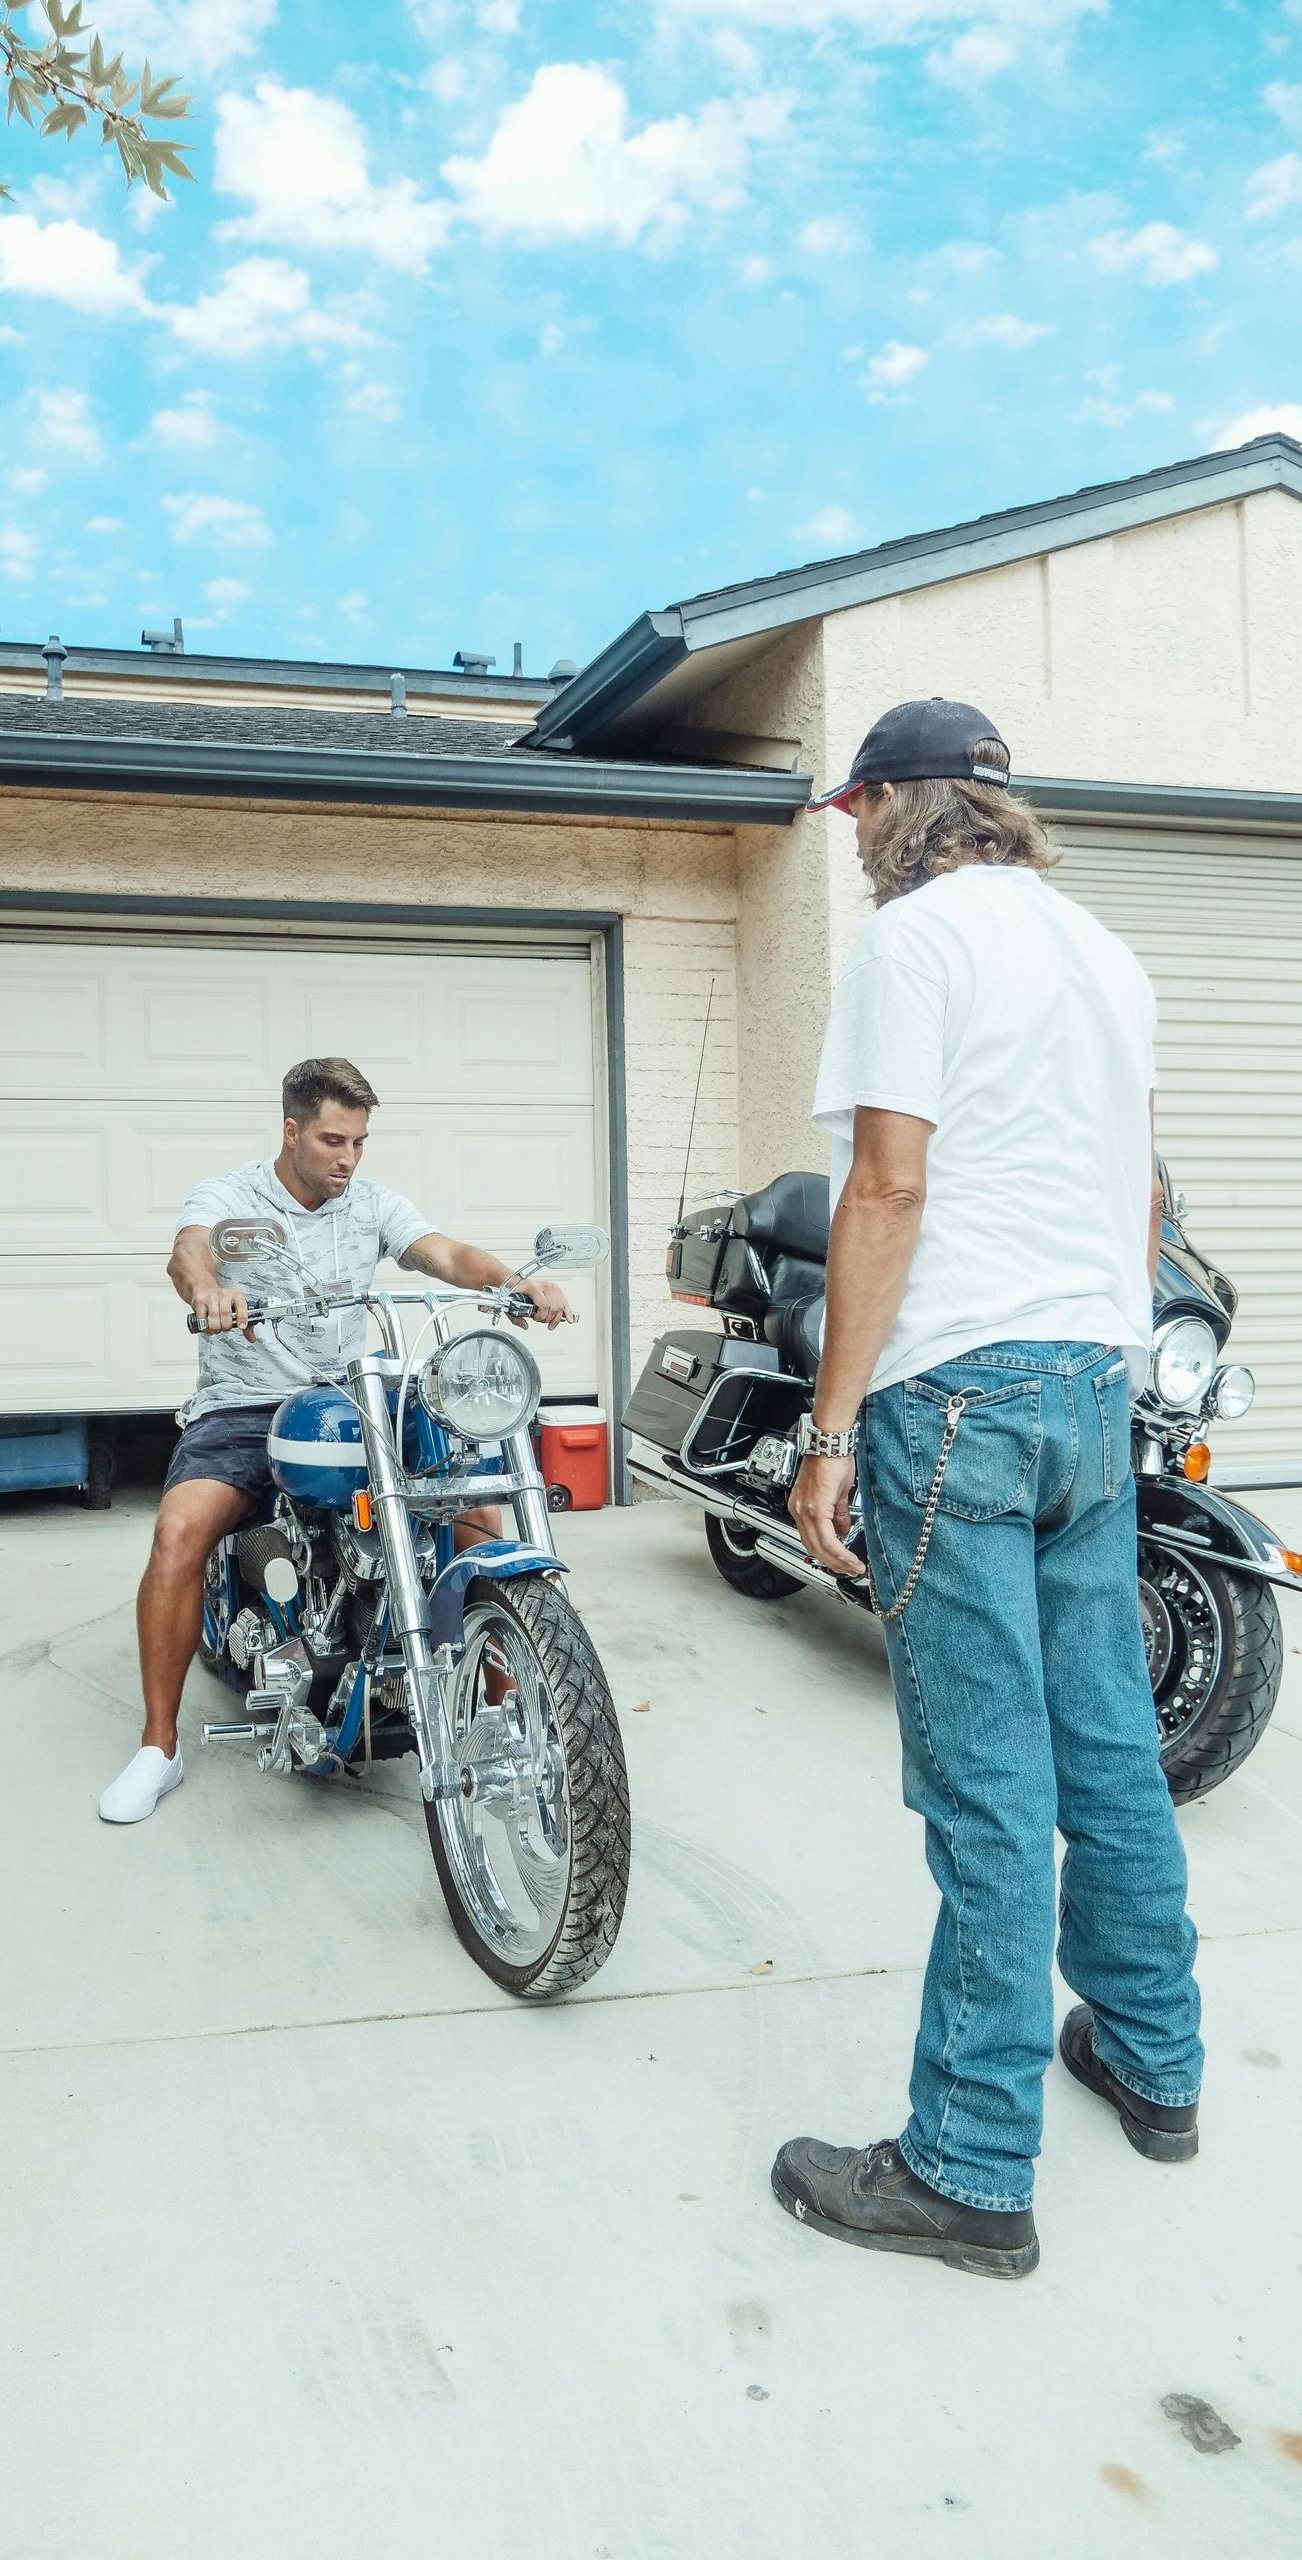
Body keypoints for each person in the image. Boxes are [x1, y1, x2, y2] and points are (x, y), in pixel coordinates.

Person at [770, 699, 1201, 2281]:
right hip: (1088, 1384)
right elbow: (1141, 1185)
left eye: (851, 811)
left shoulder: (914, 945)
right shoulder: (1101, 948)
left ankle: (963, 2164)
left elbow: (883, 1183)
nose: (851, 838)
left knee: (986, 1792)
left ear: (894, 804)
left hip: (955, 1388)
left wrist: (826, 1435)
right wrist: (1104, 1342)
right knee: (1106, 1748)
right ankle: (1152, 2057)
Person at [99, 1055, 572, 1825]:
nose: (347, 1158)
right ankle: (159, 1747)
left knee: (477, 1509)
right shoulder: (233, 1196)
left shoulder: (370, 1204)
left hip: (356, 1398)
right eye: (331, 1140)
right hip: (248, 1403)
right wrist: (209, 1289)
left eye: (357, 1142)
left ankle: (503, 1720)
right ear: (291, 1132)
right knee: (180, 1532)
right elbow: (190, 1250)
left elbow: (441, 1252)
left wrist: (510, 1281)